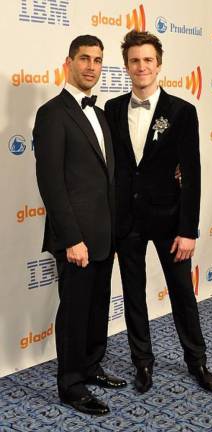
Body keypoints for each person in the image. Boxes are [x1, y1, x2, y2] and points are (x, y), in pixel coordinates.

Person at [105, 30, 212, 394]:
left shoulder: (183, 112)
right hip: (128, 221)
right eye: (135, 60)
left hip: (171, 221)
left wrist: (189, 229)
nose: (142, 66)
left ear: (159, 64)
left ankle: (196, 360)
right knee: (134, 294)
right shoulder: (112, 108)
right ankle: (143, 363)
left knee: (182, 292)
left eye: (148, 60)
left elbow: (193, 174)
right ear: (126, 66)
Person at [33, 35, 126, 416]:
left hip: (104, 235)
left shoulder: (100, 114)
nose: (91, 66)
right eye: (84, 58)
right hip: (75, 239)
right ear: (69, 62)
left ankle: (91, 365)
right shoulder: (53, 113)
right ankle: (71, 384)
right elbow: (51, 182)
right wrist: (72, 238)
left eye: (98, 60)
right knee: (74, 311)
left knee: (96, 306)